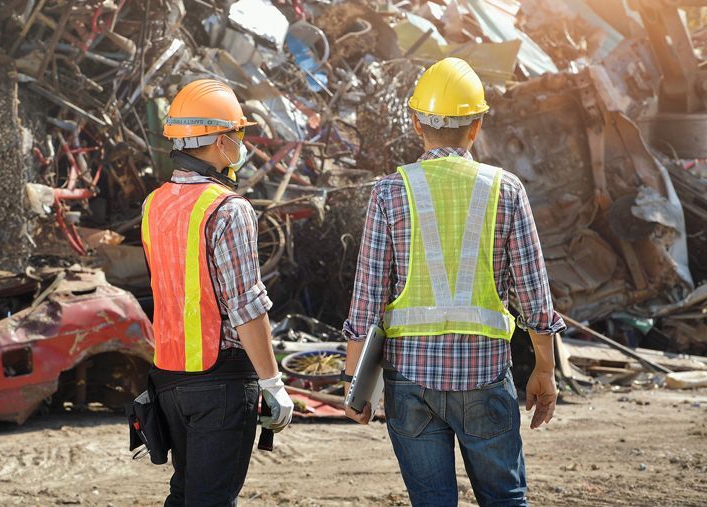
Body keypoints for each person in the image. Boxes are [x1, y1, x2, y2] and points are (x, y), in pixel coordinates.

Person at [341, 58, 564, 507]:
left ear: (416, 123)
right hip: (483, 376)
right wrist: (544, 369)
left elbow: (366, 301)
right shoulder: (507, 190)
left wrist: (355, 384)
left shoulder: (389, 192)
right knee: (505, 499)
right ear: (476, 126)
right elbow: (534, 296)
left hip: (410, 383)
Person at [141, 78, 294, 506]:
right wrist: (273, 382)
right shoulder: (228, 208)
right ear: (222, 140)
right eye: (238, 135)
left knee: (186, 493)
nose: (241, 145)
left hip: (169, 378)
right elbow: (245, 305)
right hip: (221, 382)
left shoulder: (155, 204)